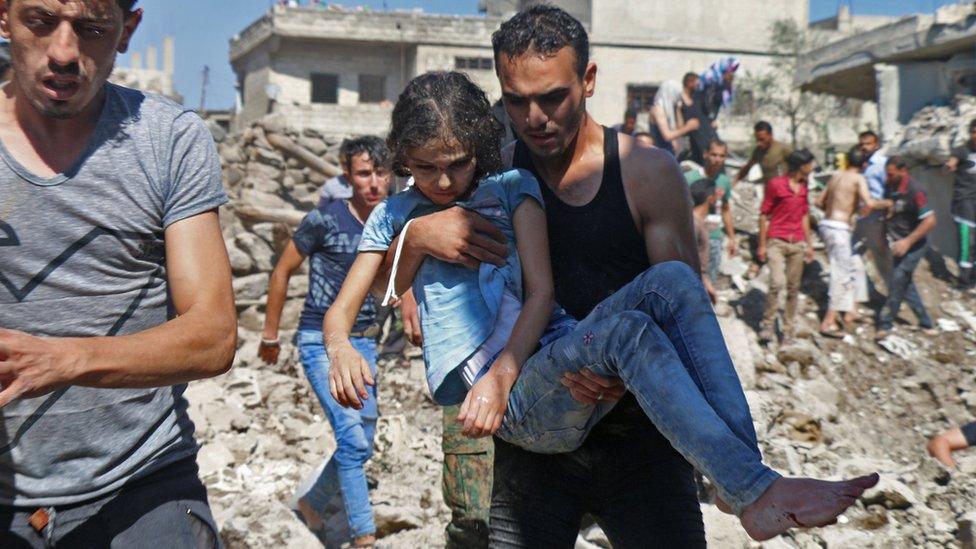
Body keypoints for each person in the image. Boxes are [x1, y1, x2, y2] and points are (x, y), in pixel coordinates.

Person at [324, 69, 877, 546]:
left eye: (457, 164)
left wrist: (509, 369)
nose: (442, 181)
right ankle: (747, 487)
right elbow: (353, 305)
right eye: (424, 168)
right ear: (402, 159)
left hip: (543, 365)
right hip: (500, 404)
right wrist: (345, 340)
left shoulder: (514, 188)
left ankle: (745, 481)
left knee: (671, 282)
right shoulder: (395, 214)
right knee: (628, 333)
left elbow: (541, 292)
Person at [0, 1, 236, 546]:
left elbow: (214, 336)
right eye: (40, 21)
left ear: (127, 31)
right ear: (3, 18)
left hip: (141, 484)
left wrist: (60, 360)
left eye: (91, 30)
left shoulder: (167, 140)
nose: (64, 52)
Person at [257, 136, 391, 546]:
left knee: (363, 442)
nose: (373, 183)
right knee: (351, 440)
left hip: (366, 342)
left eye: (381, 173)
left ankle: (313, 504)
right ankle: (363, 537)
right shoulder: (325, 219)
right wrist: (270, 333)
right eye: (364, 173)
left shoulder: (392, 221)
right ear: (347, 174)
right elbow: (283, 271)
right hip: (321, 342)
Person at [814, 147, 888, 337]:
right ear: (864, 165)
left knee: (856, 265)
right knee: (842, 275)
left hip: (827, 225)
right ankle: (828, 322)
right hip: (839, 229)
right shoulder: (858, 178)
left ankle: (851, 311)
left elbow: (818, 202)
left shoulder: (836, 176)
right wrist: (886, 204)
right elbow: (870, 203)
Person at [758, 150, 817, 343]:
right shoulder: (776, 184)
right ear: (801, 165)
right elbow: (763, 214)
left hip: (797, 243)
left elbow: (804, 215)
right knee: (776, 282)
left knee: (793, 288)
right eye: (810, 163)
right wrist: (762, 245)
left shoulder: (804, 186)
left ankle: (788, 329)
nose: (812, 167)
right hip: (777, 240)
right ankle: (767, 324)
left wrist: (809, 244)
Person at [875, 156, 936, 339]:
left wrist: (908, 241)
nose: (888, 178)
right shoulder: (890, 187)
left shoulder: (915, 190)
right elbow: (888, 213)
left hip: (914, 244)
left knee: (898, 279)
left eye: (891, 174)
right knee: (906, 283)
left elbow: (930, 220)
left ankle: (885, 323)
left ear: (903, 171)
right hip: (897, 243)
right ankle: (926, 322)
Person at [684, 139, 737, 283]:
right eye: (714, 155)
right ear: (705, 154)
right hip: (693, 238)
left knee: (709, 281)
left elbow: (725, 209)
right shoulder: (689, 178)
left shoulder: (724, 181)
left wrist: (732, 238)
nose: (717, 159)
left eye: (721, 156)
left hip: (714, 237)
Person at [853, 130, 893, 287]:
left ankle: (895, 295)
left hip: (877, 216)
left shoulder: (882, 164)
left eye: (868, 144)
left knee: (882, 258)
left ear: (876, 145)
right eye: (862, 144)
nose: (864, 147)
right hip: (862, 217)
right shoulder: (861, 165)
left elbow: (889, 191)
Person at [946, 119, 976, 289]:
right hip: (964, 203)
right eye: (973, 132)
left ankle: (974, 278)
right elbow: (953, 160)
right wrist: (951, 164)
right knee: (967, 242)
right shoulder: (962, 151)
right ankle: (964, 280)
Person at [649, 80, 700, 157]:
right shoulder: (658, 109)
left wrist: (678, 109)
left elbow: (679, 128)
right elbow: (667, 136)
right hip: (659, 153)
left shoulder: (669, 110)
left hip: (669, 153)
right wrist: (688, 127)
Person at [735, 121, 793, 187]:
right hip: (769, 191)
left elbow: (800, 165)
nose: (759, 143)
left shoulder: (782, 149)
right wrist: (735, 181)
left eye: (762, 139)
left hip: (785, 190)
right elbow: (747, 167)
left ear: (770, 135)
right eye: (757, 140)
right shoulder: (758, 151)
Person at [690, 178, 719, 303]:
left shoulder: (697, 221)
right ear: (710, 198)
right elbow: (689, 258)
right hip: (692, 282)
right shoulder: (693, 223)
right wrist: (705, 283)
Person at [679, 72, 716, 165]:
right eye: (697, 82)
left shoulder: (698, 97)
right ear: (690, 83)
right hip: (692, 139)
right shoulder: (679, 99)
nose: (699, 85)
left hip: (705, 135)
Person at [698, 56, 740, 123]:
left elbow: (726, 101)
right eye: (731, 70)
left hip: (712, 117)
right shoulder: (710, 76)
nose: (732, 74)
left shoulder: (724, 83)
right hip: (703, 115)